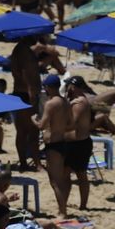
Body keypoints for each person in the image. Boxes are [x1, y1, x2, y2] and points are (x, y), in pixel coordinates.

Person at [37, 74, 73, 217]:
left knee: (55, 181)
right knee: (63, 178)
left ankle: (63, 211)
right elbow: (71, 124)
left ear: (49, 87)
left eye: (45, 87)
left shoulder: (50, 104)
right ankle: (62, 208)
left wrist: (34, 120)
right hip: (64, 142)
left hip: (53, 144)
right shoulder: (65, 102)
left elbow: (42, 125)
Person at [63, 76, 95, 213]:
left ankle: (83, 205)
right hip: (75, 143)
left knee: (80, 175)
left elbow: (72, 124)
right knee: (66, 174)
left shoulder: (79, 103)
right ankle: (65, 202)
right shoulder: (76, 101)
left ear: (73, 87)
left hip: (79, 144)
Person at [10, 36, 42, 171]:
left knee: (23, 130)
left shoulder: (19, 49)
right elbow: (25, 73)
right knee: (31, 130)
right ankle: (35, 163)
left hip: (22, 93)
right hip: (26, 94)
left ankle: (26, 162)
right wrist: (31, 92)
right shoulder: (24, 51)